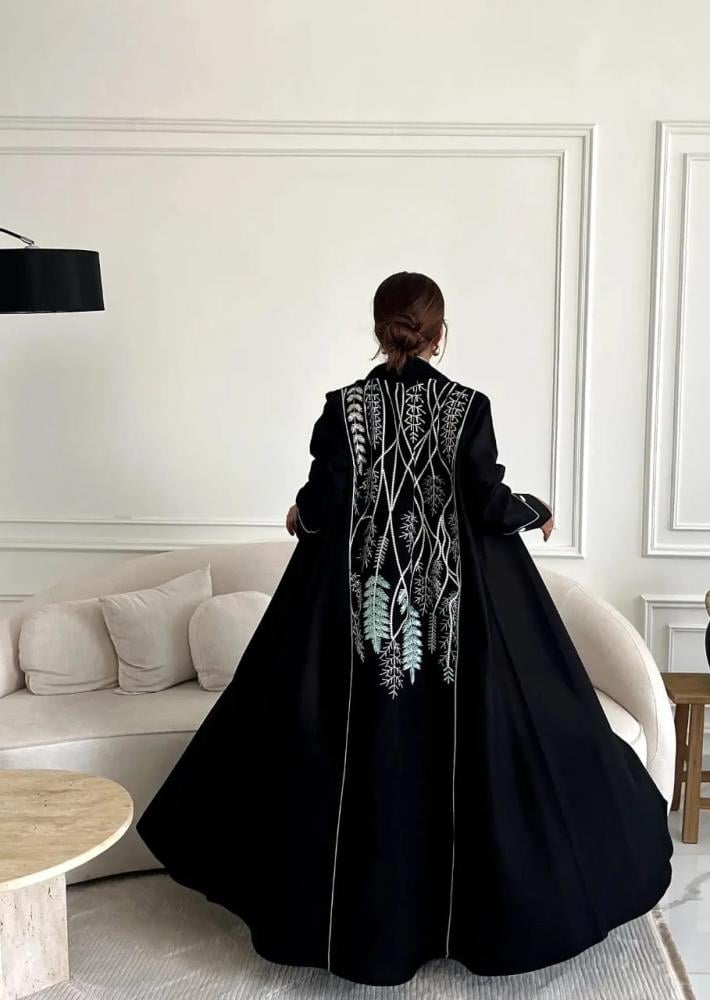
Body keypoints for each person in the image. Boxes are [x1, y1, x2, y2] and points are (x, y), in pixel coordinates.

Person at [136, 270, 673, 987]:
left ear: (378, 326)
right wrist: (533, 509)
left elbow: (324, 499)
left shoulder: (343, 407)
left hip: (354, 615)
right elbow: (486, 502)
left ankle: (357, 926)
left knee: (326, 740)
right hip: (453, 617)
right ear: (439, 333)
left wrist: (304, 515)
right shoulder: (466, 406)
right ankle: (469, 918)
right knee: (487, 738)